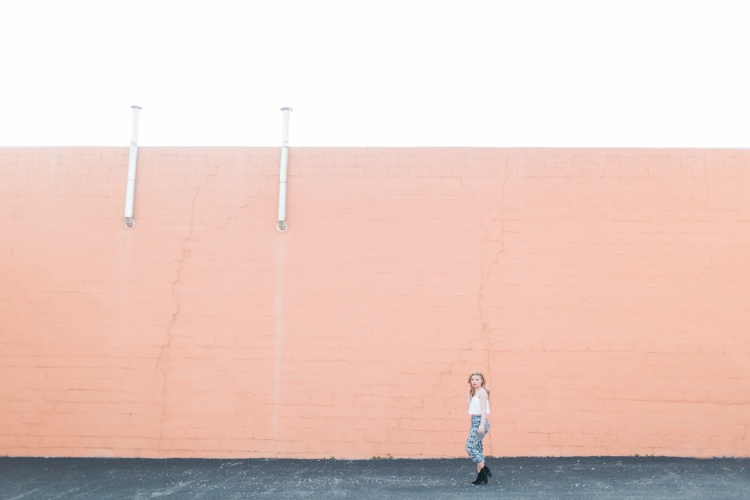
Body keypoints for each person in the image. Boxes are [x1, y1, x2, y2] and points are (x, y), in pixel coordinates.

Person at [465, 371, 492, 485]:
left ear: (482, 381)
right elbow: (471, 408)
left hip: (480, 421)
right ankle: (482, 477)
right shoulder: (475, 392)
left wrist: (481, 424)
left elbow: (483, 410)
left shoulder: (482, 392)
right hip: (474, 421)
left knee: (469, 447)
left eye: (477, 379)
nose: (474, 381)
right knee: (477, 448)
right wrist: (468, 395)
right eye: (473, 380)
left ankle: (485, 470)